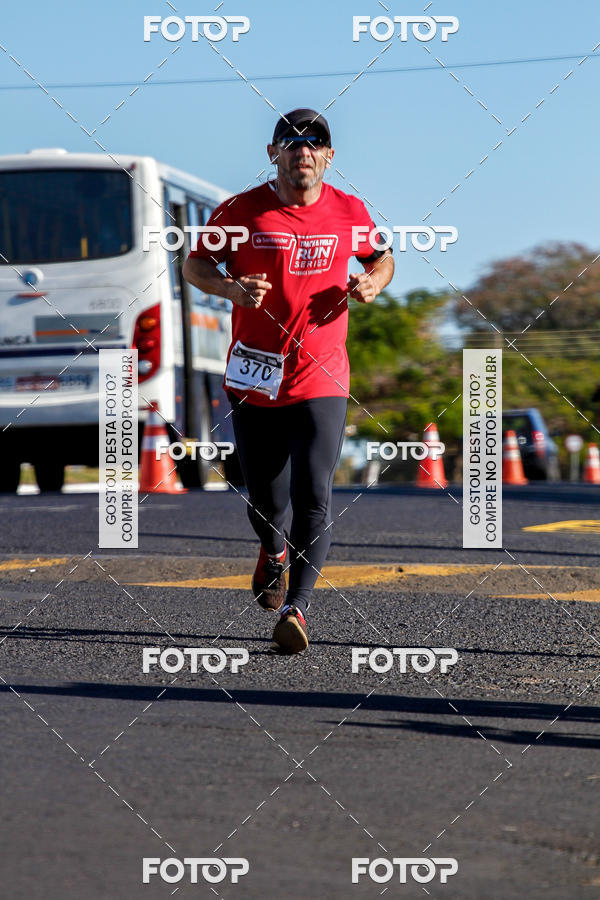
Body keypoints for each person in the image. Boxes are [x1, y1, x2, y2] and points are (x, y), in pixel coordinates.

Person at [183, 108, 394, 654]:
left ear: (329, 156)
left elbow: (383, 258)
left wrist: (371, 281)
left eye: (315, 140)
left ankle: (298, 610)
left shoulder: (350, 211)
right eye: (291, 140)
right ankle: (272, 552)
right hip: (256, 374)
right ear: (273, 153)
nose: (303, 148)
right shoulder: (241, 210)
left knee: (313, 495)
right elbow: (195, 265)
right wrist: (230, 290)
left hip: (323, 375)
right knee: (266, 500)